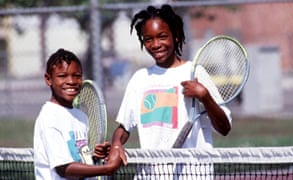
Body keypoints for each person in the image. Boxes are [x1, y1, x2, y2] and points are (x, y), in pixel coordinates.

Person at [111, 4, 232, 151]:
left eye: (162, 37)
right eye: (148, 39)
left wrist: (204, 96)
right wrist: (116, 145)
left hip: (193, 172)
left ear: (175, 36)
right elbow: (124, 127)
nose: (155, 44)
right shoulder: (139, 79)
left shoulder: (195, 73)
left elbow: (224, 128)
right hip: (152, 173)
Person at [33, 48, 126, 180]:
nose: (71, 81)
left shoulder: (81, 117)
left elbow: (79, 157)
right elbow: (64, 169)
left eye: (77, 76)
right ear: (48, 79)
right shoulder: (49, 117)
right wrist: (107, 168)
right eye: (62, 76)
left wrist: (95, 155)